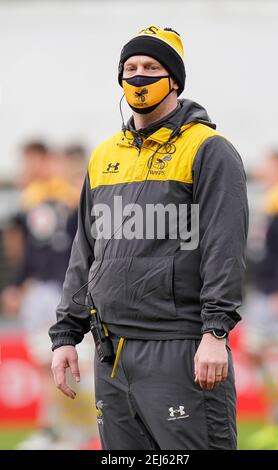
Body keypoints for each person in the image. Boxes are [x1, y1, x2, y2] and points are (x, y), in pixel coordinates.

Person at [49, 25, 248, 450]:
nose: (139, 76)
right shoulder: (105, 154)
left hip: (180, 346)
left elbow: (225, 247)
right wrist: (67, 333)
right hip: (112, 351)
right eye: (131, 67)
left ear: (174, 79)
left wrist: (215, 333)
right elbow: (85, 250)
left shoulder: (208, 149)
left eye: (152, 67)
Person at [243, 150, 278, 438]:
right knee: (256, 351)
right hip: (263, 289)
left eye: (269, 165)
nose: (264, 169)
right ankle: (277, 413)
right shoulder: (271, 201)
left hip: (276, 293)